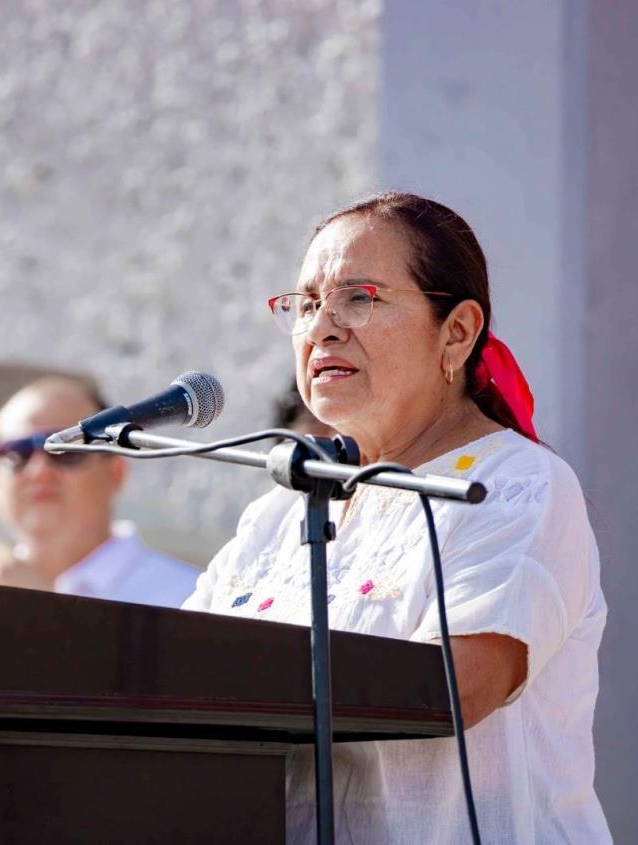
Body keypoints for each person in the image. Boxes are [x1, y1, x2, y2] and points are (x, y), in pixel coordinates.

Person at [183, 192, 609, 843]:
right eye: (304, 304)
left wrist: (232, 684)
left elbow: (452, 688)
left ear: (456, 332)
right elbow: (169, 683)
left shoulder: (515, 484)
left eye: (360, 297)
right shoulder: (276, 512)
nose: (321, 326)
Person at [0, 376, 199, 608]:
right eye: (17, 452)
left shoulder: (191, 600)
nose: (39, 470)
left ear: (115, 472)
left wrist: (42, 610)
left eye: (66, 449)